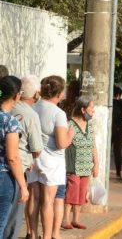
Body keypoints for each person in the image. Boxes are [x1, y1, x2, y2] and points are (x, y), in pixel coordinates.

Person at [33, 76, 75, 239]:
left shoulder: (34, 107)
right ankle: (48, 235)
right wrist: (70, 133)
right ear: (59, 93)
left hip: (35, 158)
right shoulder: (58, 113)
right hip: (52, 162)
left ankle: (33, 233)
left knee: (34, 200)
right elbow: (62, 143)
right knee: (49, 201)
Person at [4, 76, 43, 239]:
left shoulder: (7, 110)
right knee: (11, 221)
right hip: (15, 172)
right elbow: (36, 149)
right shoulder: (29, 116)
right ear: (35, 94)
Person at [62, 96, 99, 230]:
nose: (93, 111)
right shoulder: (70, 125)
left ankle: (76, 219)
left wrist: (96, 164)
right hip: (73, 165)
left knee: (81, 193)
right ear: (83, 110)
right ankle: (65, 219)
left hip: (86, 166)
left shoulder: (90, 126)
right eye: (91, 108)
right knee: (72, 191)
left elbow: (93, 146)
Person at [0, 76, 29, 235]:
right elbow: (12, 157)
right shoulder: (10, 122)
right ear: (17, 95)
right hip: (3, 178)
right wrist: (23, 187)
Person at [111, 86, 122, 179]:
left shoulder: (108, 102)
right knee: (117, 152)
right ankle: (118, 173)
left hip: (108, 128)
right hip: (118, 129)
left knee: (106, 150)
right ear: (119, 94)